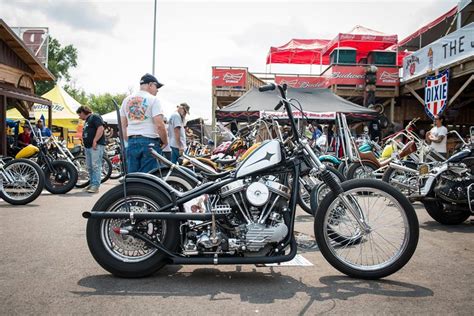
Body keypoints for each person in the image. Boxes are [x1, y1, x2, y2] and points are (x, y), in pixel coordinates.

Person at [120, 73, 168, 172]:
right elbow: (159, 125)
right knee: (149, 179)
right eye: (156, 86)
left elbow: (122, 125)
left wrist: (129, 140)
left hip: (132, 141)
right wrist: (165, 141)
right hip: (150, 142)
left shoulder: (126, 100)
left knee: (133, 178)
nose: (157, 90)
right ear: (150, 85)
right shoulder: (154, 100)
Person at [76, 105, 105, 193]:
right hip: (88, 146)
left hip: (96, 146)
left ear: (83, 112)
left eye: (79, 114)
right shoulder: (88, 120)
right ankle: (92, 184)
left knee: (95, 165)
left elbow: (101, 128)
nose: (79, 116)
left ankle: (95, 185)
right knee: (90, 166)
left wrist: (95, 140)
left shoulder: (94, 117)